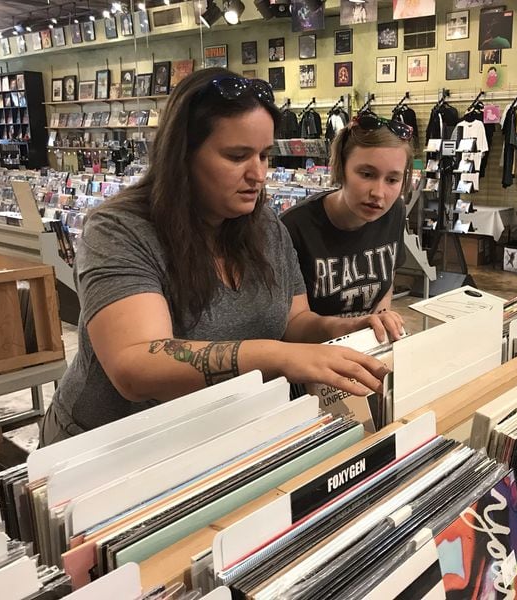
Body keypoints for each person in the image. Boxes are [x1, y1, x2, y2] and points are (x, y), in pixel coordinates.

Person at [39, 68, 400, 445]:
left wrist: (341, 329)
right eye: (237, 156)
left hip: (215, 436)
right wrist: (276, 356)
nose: (257, 173)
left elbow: (294, 320)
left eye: (263, 155)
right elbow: (136, 364)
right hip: (109, 447)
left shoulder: (265, 225)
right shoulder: (120, 229)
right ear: (183, 154)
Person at [281, 112, 412, 322]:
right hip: (313, 351)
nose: (378, 193)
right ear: (342, 168)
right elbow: (294, 324)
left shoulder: (394, 211)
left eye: (392, 179)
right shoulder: (293, 228)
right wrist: (358, 326)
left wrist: (381, 321)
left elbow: (387, 285)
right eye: (367, 174)